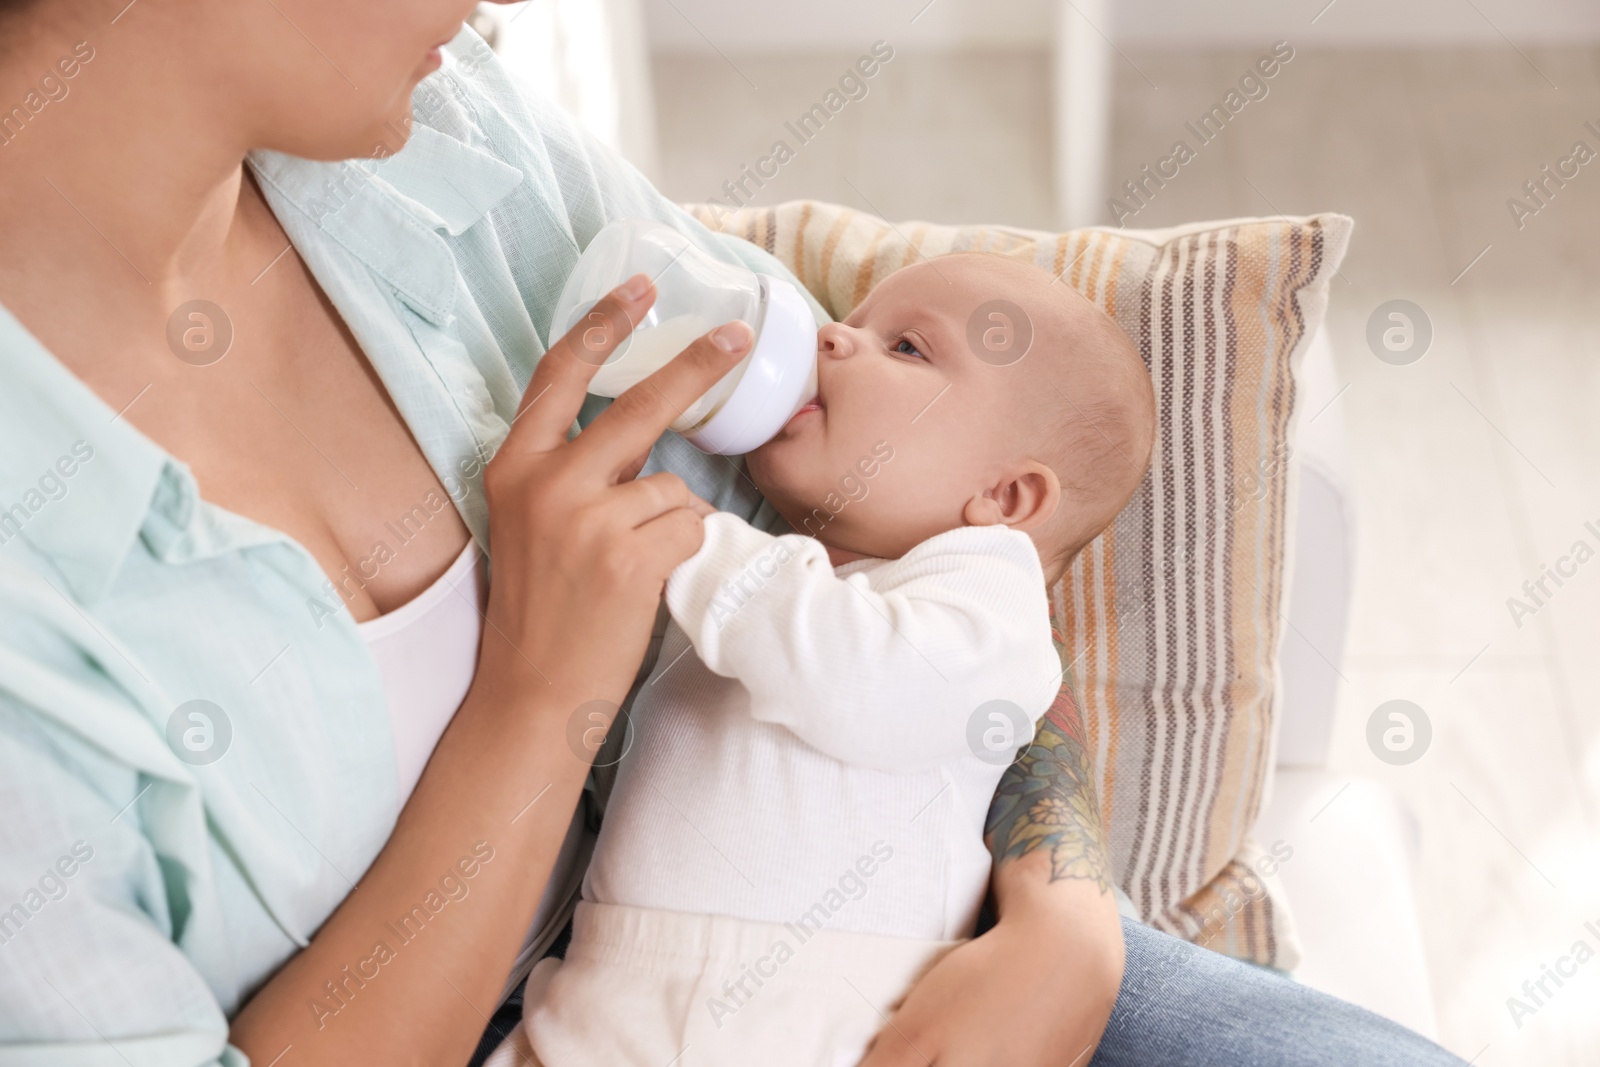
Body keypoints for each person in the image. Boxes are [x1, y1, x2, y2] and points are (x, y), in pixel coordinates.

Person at [0, 4, 1466, 1065]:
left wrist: (1067, 908)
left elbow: (962, 568)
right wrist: (538, 700)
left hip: (944, 952)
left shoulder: (444, 139)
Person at [498, 253, 1156, 1067]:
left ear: (1007, 498)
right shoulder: (786, 569)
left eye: (907, 346)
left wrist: (689, 539)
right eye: (853, 323)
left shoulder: (989, 603)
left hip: (818, 1015)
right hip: (599, 1000)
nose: (833, 337)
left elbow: (871, 685)